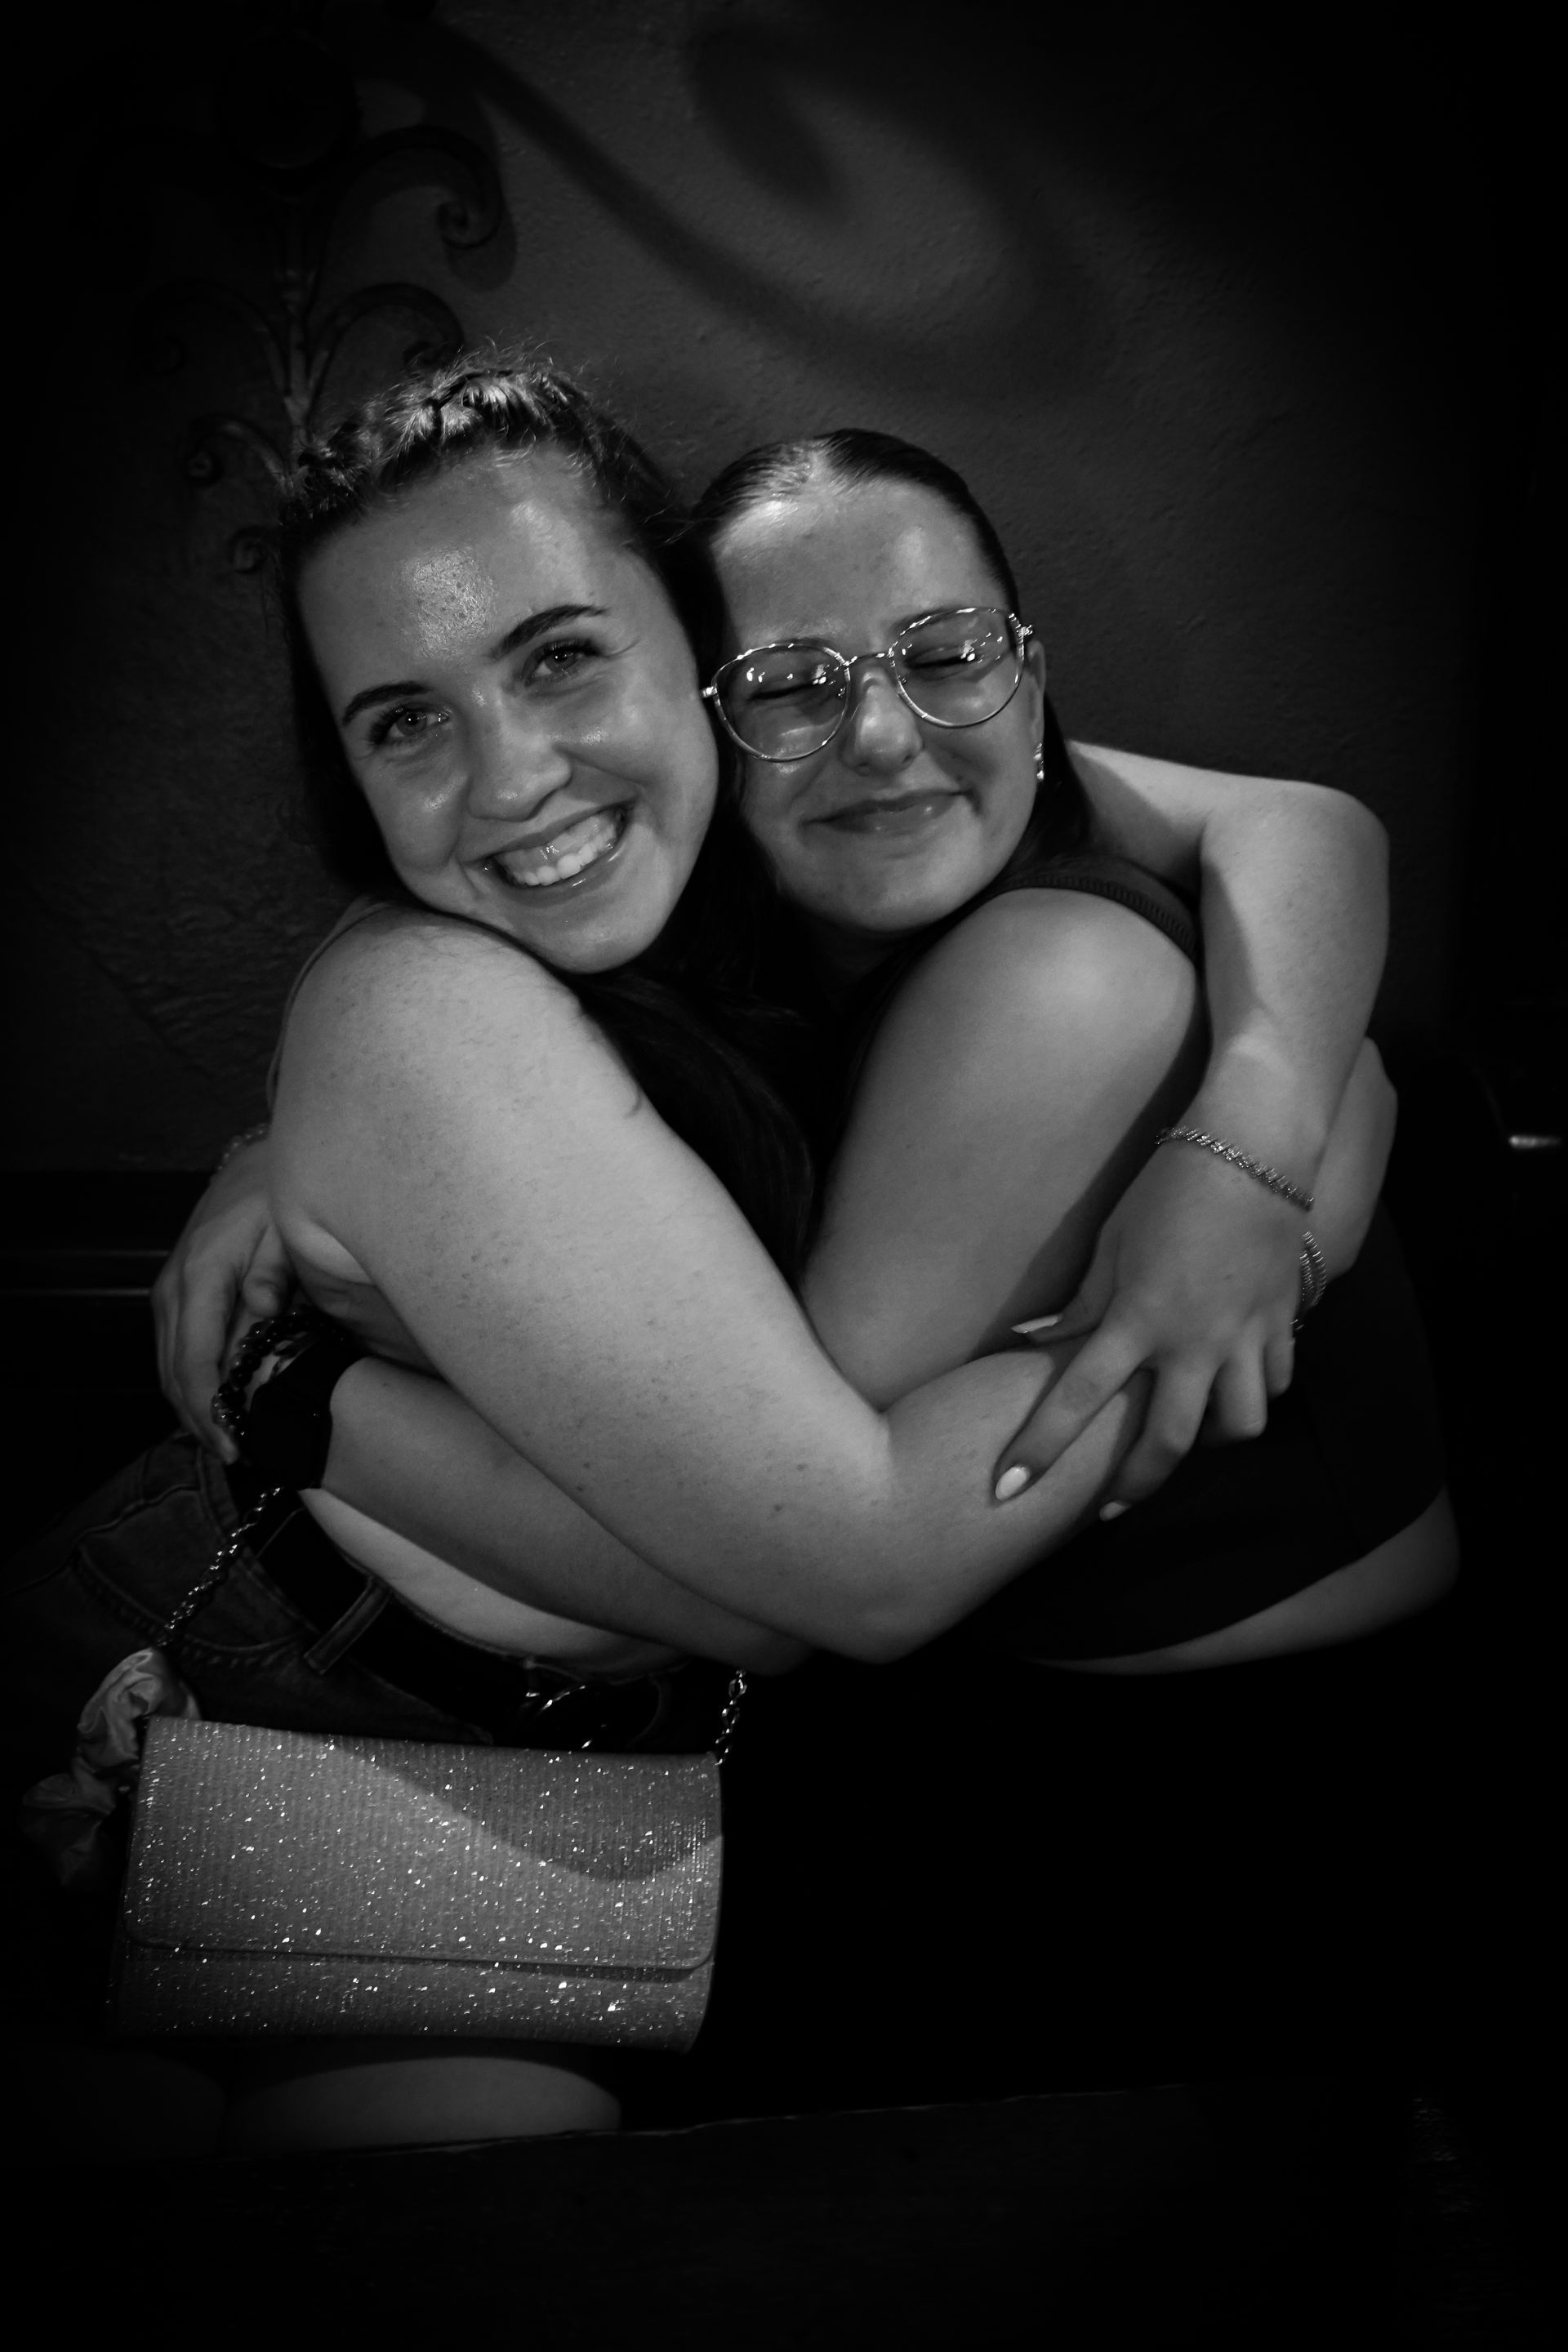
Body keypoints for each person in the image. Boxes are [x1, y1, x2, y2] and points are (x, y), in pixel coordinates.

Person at [7, 360, 1431, 2154]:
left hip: (564, 1771)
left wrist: (1272, 1140)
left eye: (557, 658)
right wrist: (1304, 1209)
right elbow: (824, 1574)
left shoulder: (834, 860)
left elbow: (1298, 820)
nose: (512, 774)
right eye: (405, 720)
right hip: (234, 1689)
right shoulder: (478, 969)